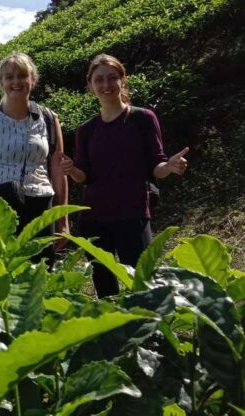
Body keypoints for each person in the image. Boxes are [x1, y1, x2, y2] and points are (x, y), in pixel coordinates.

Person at [59, 54, 189, 297]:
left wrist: (169, 167)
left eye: (112, 78)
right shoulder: (86, 129)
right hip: (95, 217)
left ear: (122, 80)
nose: (106, 85)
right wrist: (71, 170)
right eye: (99, 80)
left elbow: (156, 166)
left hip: (133, 213)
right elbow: (84, 177)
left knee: (140, 282)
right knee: (105, 286)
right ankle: (114, 334)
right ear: (90, 86)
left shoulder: (142, 118)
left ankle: (147, 333)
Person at [0, 51, 69, 256]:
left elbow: (58, 172)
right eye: (9, 77)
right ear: (1, 82)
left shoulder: (48, 118)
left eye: (22, 75)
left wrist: (62, 221)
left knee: (40, 273)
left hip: (40, 203)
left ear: (33, 79)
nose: (16, 82)